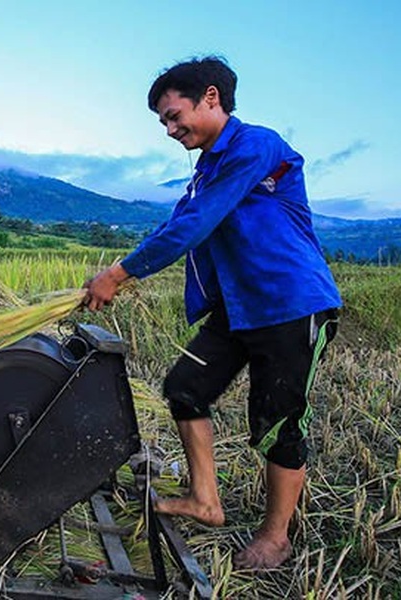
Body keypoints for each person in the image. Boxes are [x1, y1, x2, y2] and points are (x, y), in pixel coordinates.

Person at [84, 56, 341, 570]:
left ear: (210, 97)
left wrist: (119, 273)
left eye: (174, 116)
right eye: (163, 122)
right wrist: (116, 272)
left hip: (291, 305)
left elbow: (197, 224)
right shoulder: (205, 173)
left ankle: (276, 537)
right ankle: (206, 500)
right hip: (238, 308)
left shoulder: (256, 145)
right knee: (185, 388)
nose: (169, 129)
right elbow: (174, 226)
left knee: (276, 422)